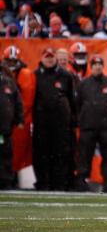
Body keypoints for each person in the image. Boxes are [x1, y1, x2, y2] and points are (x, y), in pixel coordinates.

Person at [33, 48, 76, 191]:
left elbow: (71, 99)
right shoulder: (35, 75)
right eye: (47, 57)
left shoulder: (66, 75)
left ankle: (59, 183)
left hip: (61, 122)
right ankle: (43, 182)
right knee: (42, 153)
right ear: (42, 58)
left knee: (60, 153)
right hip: (41, 122)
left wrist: (72, 120)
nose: (49, 59)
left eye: (51, 57)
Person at [76, 55, 107, 193]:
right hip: (88, 126)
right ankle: (81, 183)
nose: (97, 67)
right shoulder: (83, 84)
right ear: (91, 66)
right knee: (84, 156)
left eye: (100, 64)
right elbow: (77, 104)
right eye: (95, 64)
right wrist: (81, 119)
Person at [1, 46, 36, 177]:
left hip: (11, 123)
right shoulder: (6, 80)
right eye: (8, 62)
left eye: (13, 62)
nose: (11, 65)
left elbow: (21, 103)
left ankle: (9, 177)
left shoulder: (23, 76)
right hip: (5, 122)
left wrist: (19, 119)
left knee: (10, 152)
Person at [0, 64, 23, 190]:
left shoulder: (9, 83)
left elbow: (18, 102)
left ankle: (5, 181)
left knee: (6, 154)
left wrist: (19, 119)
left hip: (4, 128)